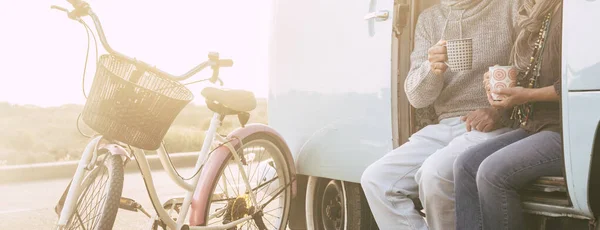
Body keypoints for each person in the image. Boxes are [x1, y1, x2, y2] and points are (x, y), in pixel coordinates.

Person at [360, 0, 523, 229]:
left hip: (493, 125)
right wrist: (431, 69)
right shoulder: (429, 19)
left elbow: (533, 70)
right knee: (376, 179)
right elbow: (417, 98)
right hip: (446, 126)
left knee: (434, 174)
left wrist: (500, 111)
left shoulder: (510, 7)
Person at [453, 0, 563, 229]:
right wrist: (500, 89)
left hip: (566, 131)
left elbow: (573, 83)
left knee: (492, 173)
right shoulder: (533, 15)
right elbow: (531, 78)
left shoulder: (569, 12)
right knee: (465, 165)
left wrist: (527, 94)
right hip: (533, 126)